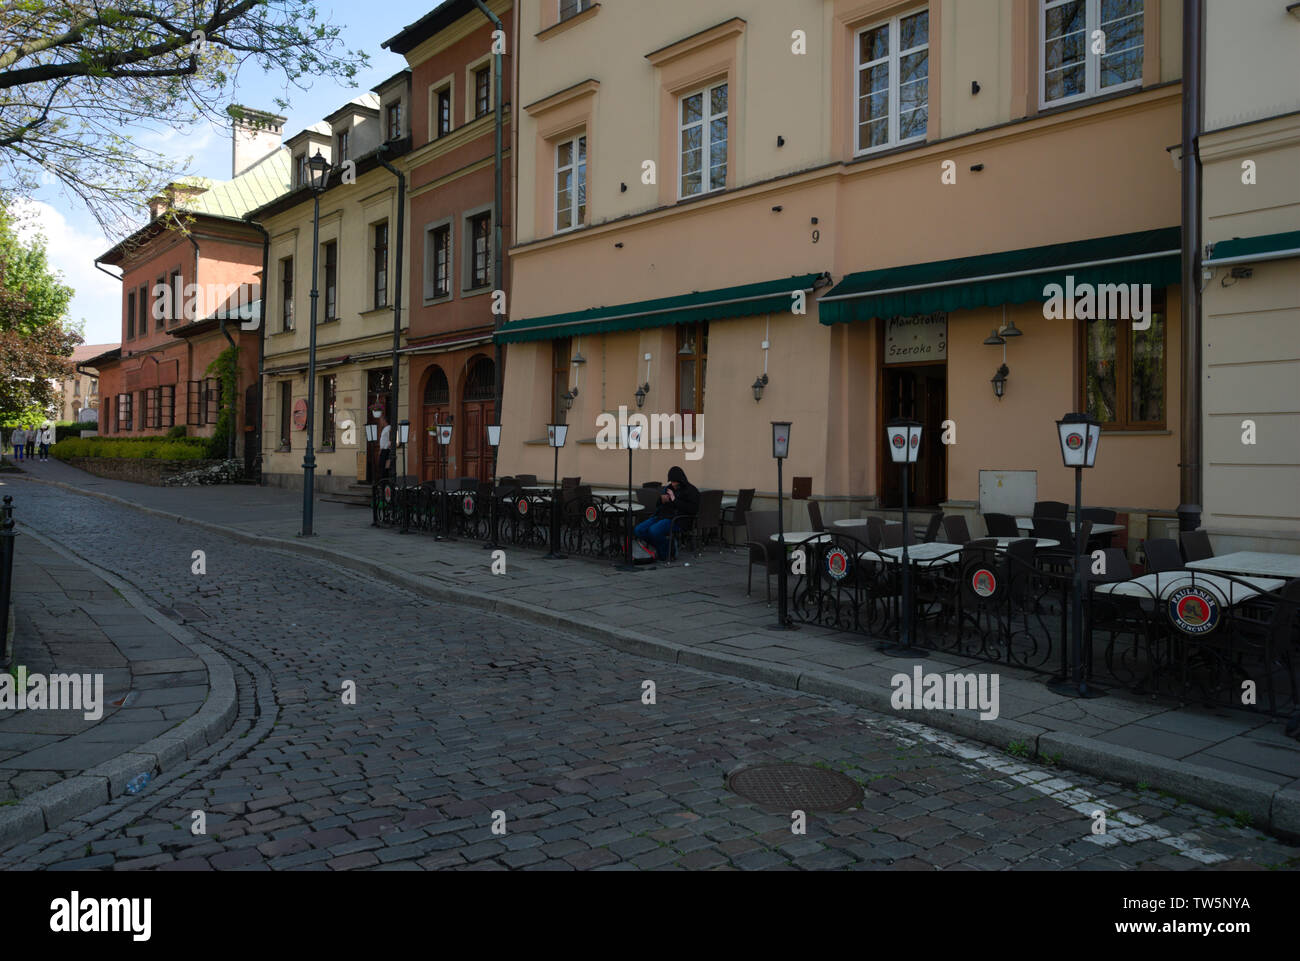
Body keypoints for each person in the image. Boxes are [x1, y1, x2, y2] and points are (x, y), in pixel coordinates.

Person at [634, 466, 699, 561]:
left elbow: (693, 510)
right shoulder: (669, 488)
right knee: (639, 530)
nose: (673, 484)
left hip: (678, 519)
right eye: (671, 481)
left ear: (681, 480)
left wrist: (674, 499)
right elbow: (658, 504)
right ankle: (668, 545)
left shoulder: (691, 491)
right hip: (661, 515)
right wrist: (661, 500)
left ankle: (666, 554)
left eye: (675, 481)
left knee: (654, 531)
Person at [377, 415, 393, 479]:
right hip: (383, 450)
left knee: (384, 468)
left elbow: (390, 440)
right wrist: (381, 449)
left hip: (386, 451)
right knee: (381, 467)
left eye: (381, 420)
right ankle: (382, 482)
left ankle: (385, 484)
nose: (380, 422)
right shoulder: (384, 429)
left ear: (384, 420)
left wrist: (386, 447)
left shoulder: (389, 428)